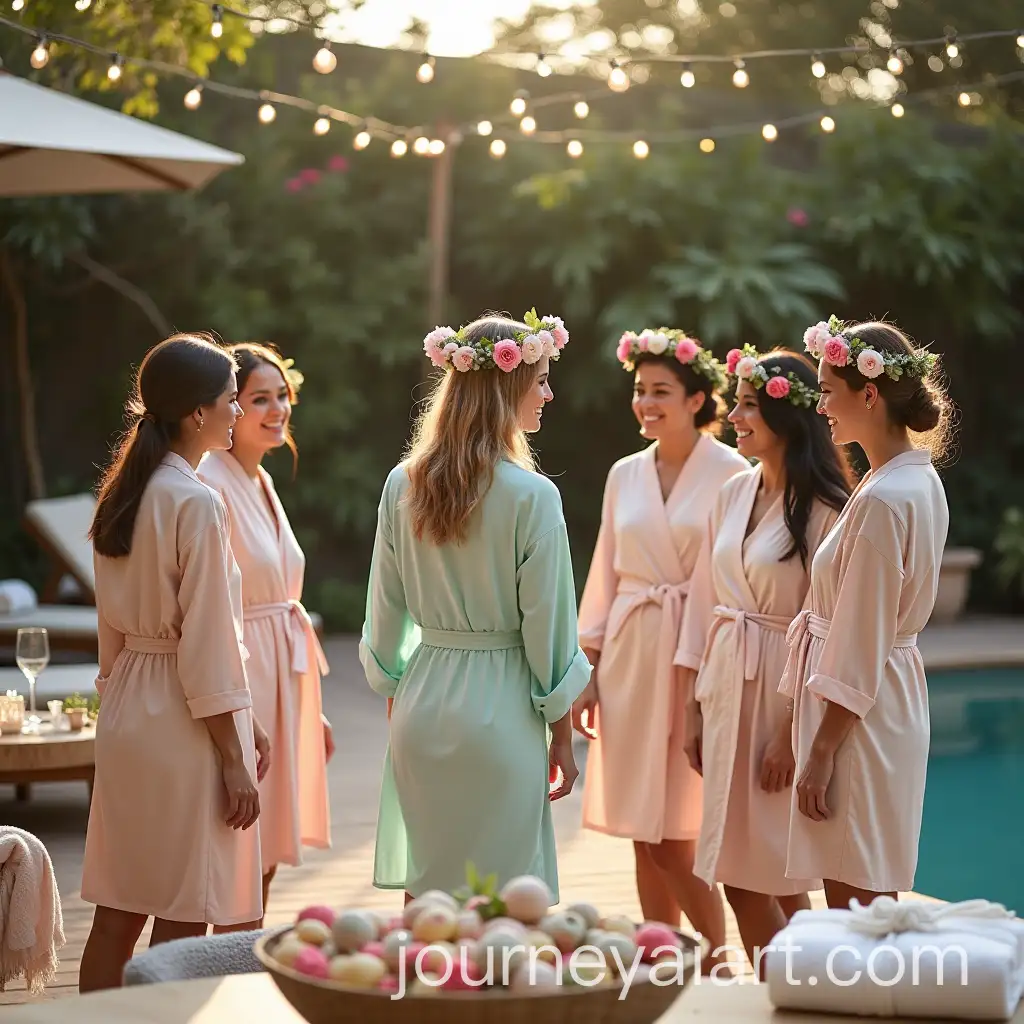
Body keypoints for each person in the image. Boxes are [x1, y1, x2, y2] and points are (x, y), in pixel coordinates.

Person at [360, 312, 591, 904]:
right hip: (502, 711)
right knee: (504, 902)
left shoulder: (399, 482)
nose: (549, 393)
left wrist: (396, 689)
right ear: (509, 386)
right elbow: (549, 629)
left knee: (428, 894)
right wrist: (561, 734)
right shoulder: (534, 496)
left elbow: (384, 612)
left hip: (423, 702)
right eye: (540, 380)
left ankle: (420, 992)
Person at [80, 334, 269, 992]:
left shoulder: (121, 496)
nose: (237, 414)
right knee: (185, 913)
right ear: (197, 415)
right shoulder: (195, 501)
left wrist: (252, 728)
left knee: (118, 907)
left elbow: (112, 635)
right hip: (186, 723)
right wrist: (231, 753)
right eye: (229, 402)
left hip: (131, 704)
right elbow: (208, 641)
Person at [572, 327, 748, 968]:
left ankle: (717, 955)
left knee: (680, 826)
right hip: (630, 651)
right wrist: (586, 665)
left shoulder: (735, 472)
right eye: (640, 391)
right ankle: (662, 954)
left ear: (699, 399)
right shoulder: (624, 474)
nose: (647, 403)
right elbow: (604, 570)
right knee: (643, 830)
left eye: (662, 391)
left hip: (695, 652)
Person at [675, 347, 853, 974]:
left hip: (784, 689)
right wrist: (695, 707)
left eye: (750, 406)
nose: (735, 417)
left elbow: (831, 628)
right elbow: (705, 601)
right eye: (738, 404)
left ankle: (800, 988)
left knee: (766, 866)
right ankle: (810, 989)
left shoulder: (827, 507)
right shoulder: (733, 492)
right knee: (745, 864)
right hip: (727, 680)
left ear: (788, 414)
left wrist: (791, 732)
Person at [781, 316, 952, 910]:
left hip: (860, 715)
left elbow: (860, 639)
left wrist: (821, 751)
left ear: (869, 394)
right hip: (885, 700)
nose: (822, 405)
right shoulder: (913, 479)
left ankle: (871, 1002)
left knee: (857, 900)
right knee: (869, 893)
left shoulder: (883, 498)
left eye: (829, 390)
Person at [198, 343, 333, 921]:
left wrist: (310, 707)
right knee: (237, 845)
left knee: (269, 844)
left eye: (282, 396)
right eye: (258, 399)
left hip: (280, 669)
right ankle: (217, 968)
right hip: (242, 670)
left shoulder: (259, 480)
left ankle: (243, 961)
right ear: (227, 407)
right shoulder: (209, 484)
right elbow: (208, 607)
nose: (277, 409)